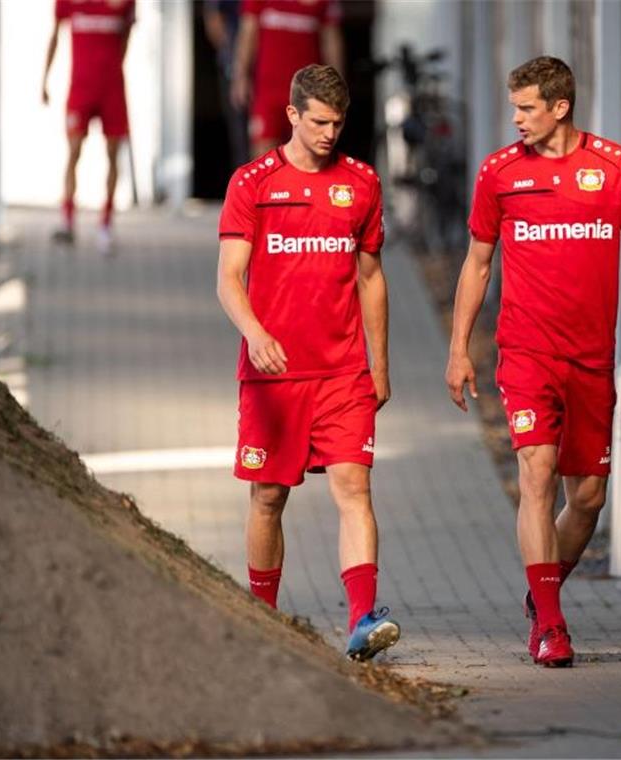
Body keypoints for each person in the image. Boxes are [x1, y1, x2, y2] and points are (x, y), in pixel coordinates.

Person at [445, 56, 621, 668]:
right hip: (525, 353)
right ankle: (550, 623)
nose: (515, 118)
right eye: (515, 107)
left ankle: (541, 592)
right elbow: (478, 264)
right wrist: (459, 349)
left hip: (591, 358)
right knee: (536, 473)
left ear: (560, 107)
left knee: (589, 497)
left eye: (526, 108)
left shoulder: (614, 165)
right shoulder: (498, 173)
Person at [216, 64, 399, 661]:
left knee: (355, 488)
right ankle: (262, 621)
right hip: (273, 377)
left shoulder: (362, 184)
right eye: (319, 121)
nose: (329, 132)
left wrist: (380, 364)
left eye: (338, 122)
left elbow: (371, 278)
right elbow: (228, 279)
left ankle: (363, 619)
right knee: (268, 498)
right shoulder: (253, 183)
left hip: (343, 372)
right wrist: (255, 332)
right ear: (292, 115)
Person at [42, 0, 135, 253]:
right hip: (80, 88)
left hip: (112, 89)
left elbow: (127, 35)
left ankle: (106, 224)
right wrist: (45, 78)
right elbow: (55, 35)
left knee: (113, 155)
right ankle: (68, 220)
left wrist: (114, 66)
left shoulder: (123, 3)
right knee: (73, 152)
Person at [230, 0, 344, 159]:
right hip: (268, 91)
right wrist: (241, 76)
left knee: (309, 160)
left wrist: (336, 84)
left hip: (309, 94)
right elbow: (248, 32)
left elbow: (331, 40)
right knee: (265, 159)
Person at [202, 1, 250, 170]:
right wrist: (231, 54)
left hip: (265, 66)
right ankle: (248, 187)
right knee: (240, 132)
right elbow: (213, 20)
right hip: (234, 66)